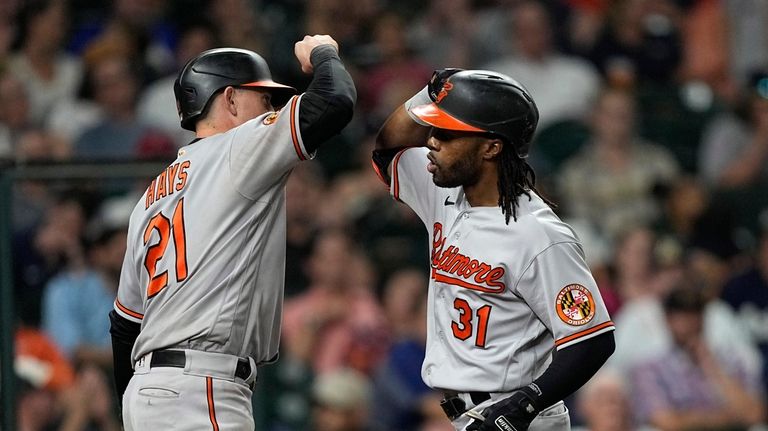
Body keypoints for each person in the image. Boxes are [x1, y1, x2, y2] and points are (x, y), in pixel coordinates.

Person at [109, 35, 356, 430]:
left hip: (148, 392)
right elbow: (333, 101)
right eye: (264, 98)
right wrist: (324, 52)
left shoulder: (150, 199)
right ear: (229, 100)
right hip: (201, 387)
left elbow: (125, 326)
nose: (272, 109)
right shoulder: (237, 148)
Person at [373, 68, 615, 431]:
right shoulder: (444, 193)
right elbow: (387, 147)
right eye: (433, 130)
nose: (432, 142)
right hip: (465, 415)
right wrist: (429, 95)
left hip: (515, 417)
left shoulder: (539, 235)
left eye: (448, 133)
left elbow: (593, 341)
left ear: (491, 146)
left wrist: (525, 405)